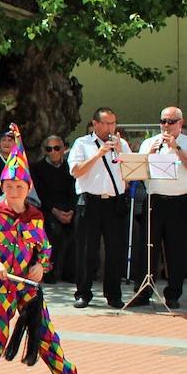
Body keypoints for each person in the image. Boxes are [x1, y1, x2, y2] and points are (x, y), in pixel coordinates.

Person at [0, 130, 95, 374]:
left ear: (28, 189)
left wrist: (41, 265)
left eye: (19, 187)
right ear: (2, 187)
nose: (14, 192)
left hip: (28, 286)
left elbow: (44, 248)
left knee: (45, 331)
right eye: (9, 186)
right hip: (1, 285)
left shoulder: (35, 217)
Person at [135, 108, 187, 307]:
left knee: (177, 249)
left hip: (179, 201)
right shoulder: (150, 142)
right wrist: (150, 153)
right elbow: (137, 171)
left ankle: (173, 294)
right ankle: (143, 292)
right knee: (148, 248)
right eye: (163, 121)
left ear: (181, 123)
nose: (166, 125)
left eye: (171, 121)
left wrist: (177, 149)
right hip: (154, 200)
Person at [68, 107, 132, 308]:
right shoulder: (82, 143)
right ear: (95, 124)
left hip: (114, 202)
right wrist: (98, 154)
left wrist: (121, 153)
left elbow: (131, 174)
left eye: (113, 123)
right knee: (87, 250)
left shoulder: (121, 144)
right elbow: (76, 171)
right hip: (90, 201)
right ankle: (83, 293)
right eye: (105, 123)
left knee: (116, 250)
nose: (110, 127)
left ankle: (113, 294)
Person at [32, 135, 75, 284]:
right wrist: (55, 211)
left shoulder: (70, 167)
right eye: (49, 149)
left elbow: (74, 191)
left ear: (63, 149)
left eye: (57, 148)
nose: (53, 152)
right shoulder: (37, 168)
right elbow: (40, 195)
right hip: (47, 209)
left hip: (68, 209)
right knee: (54, 231)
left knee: (78, 230)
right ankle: (49, 272)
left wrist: (71, 211)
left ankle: (71, 273)